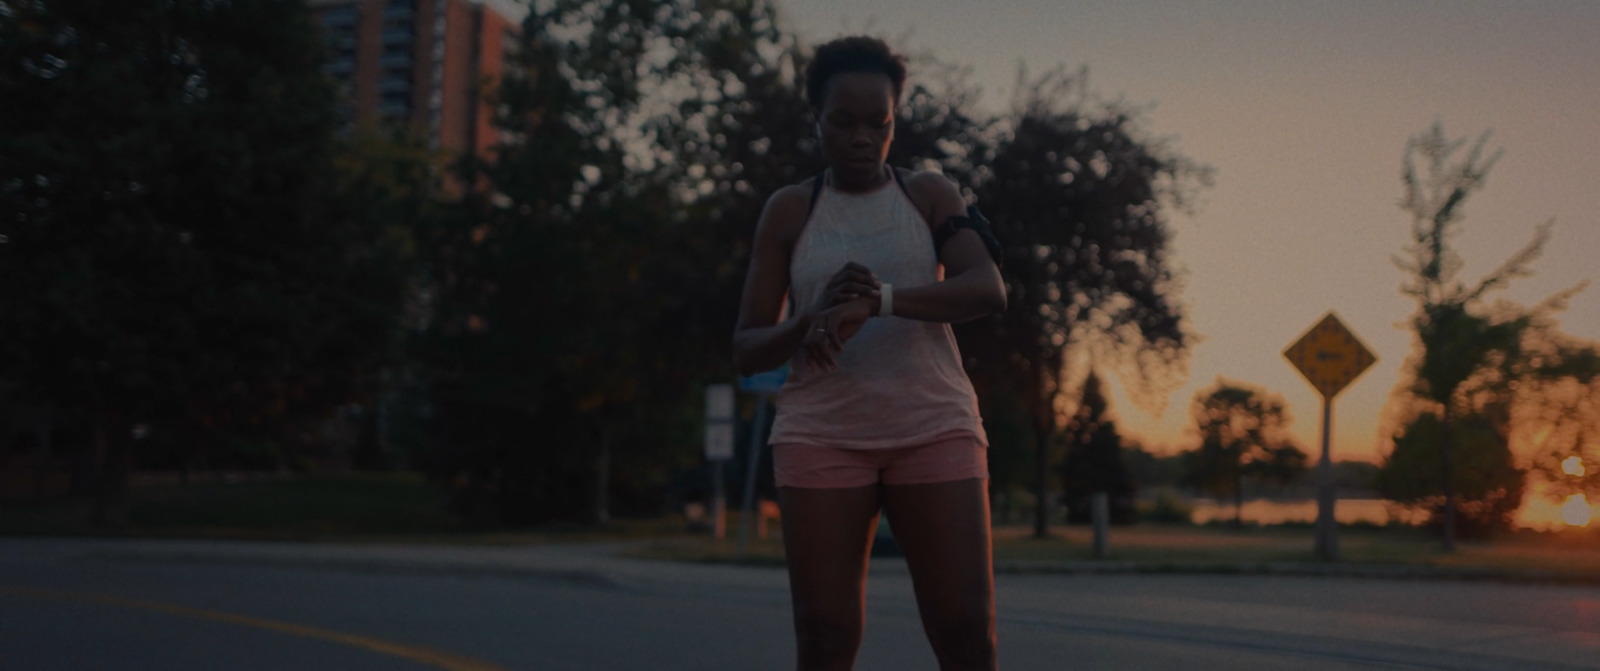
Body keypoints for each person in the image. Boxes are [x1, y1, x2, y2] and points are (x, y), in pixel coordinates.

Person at [732, 36, 1007, 671]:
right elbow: (746, 348)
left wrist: (876, 302)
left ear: (894, 123)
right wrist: (809, 319)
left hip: (932, 425)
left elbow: (987, 289)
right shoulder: (791, 211)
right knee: (825, 637)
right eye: (843, 122)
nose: (861, 138)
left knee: (966, 631)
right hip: (822, 433)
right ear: (817, 120)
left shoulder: (930, 195)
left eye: (878, 124)